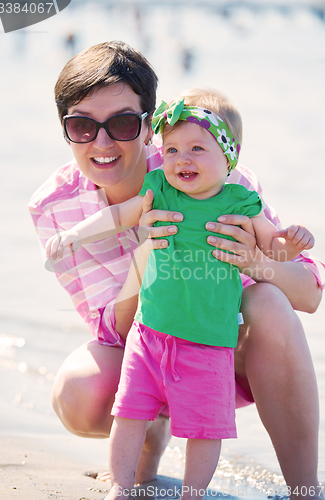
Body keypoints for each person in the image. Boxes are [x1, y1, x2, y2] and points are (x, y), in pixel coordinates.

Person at [29, 41, 324, 499]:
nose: (102, 143)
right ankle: (149, 438)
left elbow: (309, 296)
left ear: (150, 126)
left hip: (224, 348)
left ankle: (306, 487)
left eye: (123, 123)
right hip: (147, 345)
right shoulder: (56, 207)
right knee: (79, 393)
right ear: (65, 130)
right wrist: (148, 251)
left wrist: (258, 261)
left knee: (267, 300)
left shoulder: (212, 168)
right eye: (83, 125)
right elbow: (112, 332)